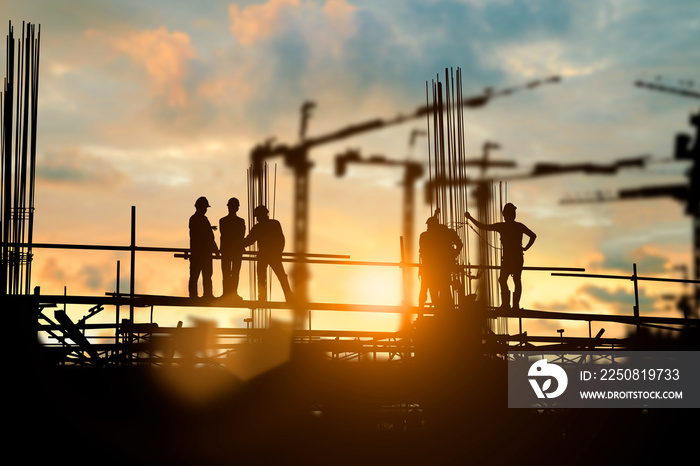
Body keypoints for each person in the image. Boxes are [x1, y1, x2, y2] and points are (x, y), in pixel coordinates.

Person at [465, 202, 536, 310]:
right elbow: (533, 236)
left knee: (505, 280)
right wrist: (525, 248)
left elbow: (483, 227)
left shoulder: (503, 226)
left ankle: (507, 305)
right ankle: (513, 305)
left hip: (509, 258)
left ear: (506, 215)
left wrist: (470, 218)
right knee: (513, 280)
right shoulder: (518, 226)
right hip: (516, 258)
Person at [242, 205, 294, 302]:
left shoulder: (258, 227)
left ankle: (262, 296)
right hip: (273, 255)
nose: (257, 219)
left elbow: (249, 240)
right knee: (281, 276)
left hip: (265, 255)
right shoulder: (274, 224)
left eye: (257, 216)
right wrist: (278, 252)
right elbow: (281, 239)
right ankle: (289, 296)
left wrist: (237, 244)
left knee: (262, 276)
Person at [418, 209, 463, 310]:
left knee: (438, 291)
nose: (428, 227)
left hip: (431, 269)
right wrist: (453, 255)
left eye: (429, 226)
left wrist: (452, 255)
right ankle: (442, 311)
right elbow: (459, 245)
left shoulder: (426, 236)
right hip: (436, 269)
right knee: (438, 291)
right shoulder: (437, 235)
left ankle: (440, 312)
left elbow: (459, 245)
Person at [189, 196, 219, 299]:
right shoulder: (200, 220)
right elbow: (208, 237)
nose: (205, 209)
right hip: (202, 254)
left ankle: (195, 296)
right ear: (199, 207)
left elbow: (205, 234)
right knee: (202, 276)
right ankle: (206, 295)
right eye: (204, 207)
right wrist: (215, 250)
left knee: (199, 276)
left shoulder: (195, 219)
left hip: (198, 253)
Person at [219, 197, 246, 300]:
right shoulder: (239, 221)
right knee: (232, 272)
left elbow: (225, 236)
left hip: (229, 250)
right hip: (234, 251)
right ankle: (231, 293)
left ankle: (229, 293)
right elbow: (240, 236)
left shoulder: (223, 221)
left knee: (229, 272)